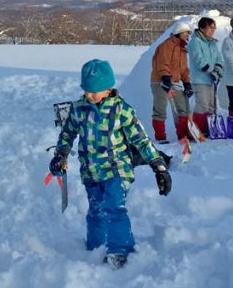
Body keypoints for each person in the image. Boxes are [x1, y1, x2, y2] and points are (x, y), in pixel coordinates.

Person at [49, 59, 171, 269]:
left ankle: (120, 250)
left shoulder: (122, 110)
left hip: (117, 170)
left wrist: (158, 165)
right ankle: (96, 247)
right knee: (96, 209)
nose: (88, 95)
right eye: (85, 90)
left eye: (93, 91)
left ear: (108, 89)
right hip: (91, 172)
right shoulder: (79, 110)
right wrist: (61, 154)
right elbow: (67, 134)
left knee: (114, 207)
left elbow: (141, 140)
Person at [149, 21, 193, 143]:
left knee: (183, 107)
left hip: (174, 82)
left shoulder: (182, 49)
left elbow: (184, 69)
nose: (187, 36)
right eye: (185, 33)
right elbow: (162, 62)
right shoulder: (166, 45)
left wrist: (187, 83)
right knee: (160, 109)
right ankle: (160, 136)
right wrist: (165, 77)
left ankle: (182, 134)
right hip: (160, 81)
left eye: (188, 34)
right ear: (178, 33)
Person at [187, 16, 223, 138]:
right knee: (202, 105)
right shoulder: (195, 41)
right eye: (210, 28)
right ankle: (198, 130)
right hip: (200, 79)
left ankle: (209, 129)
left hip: (211, 79)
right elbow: (198, 60)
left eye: (214, 28)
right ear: (202, 28)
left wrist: (218, 70)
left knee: (211, 106)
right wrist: (210, 70)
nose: (212, 30)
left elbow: (219, 58)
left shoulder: (212, 43)